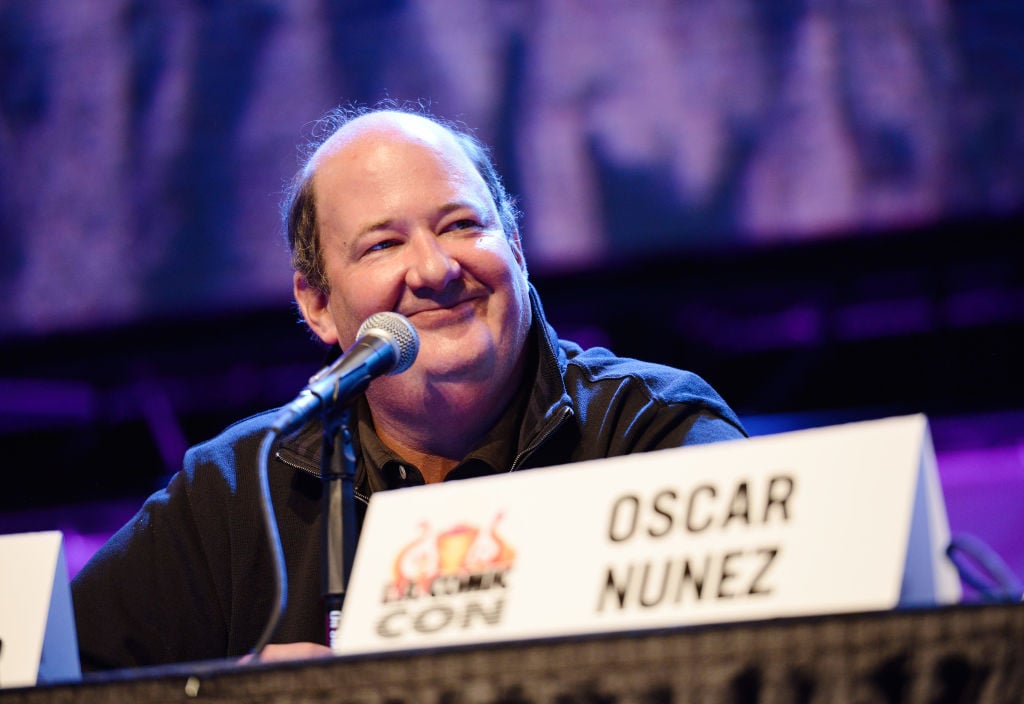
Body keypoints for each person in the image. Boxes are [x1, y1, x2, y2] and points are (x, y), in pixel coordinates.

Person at [70, 105, 747, 671]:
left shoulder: (654, 431)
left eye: (462, 225)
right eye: (382, 245)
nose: (434, 268)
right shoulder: (238, 488)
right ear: (315, 304)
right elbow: (51, 679)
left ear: (515, 246)